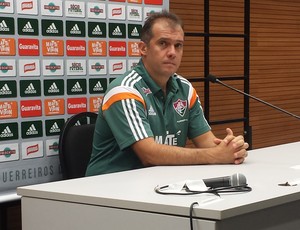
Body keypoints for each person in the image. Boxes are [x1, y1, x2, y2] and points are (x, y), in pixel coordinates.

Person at [85, 10, 248, 176]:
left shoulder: (185, 89)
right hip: (109, 187)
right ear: (143, 48)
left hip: (159, 183)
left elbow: (208, 144)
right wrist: (215, 155)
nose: (172, 52)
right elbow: (149, 155)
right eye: (163, 43)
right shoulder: (124, 90)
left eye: (178, 45)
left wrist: (232, 149)